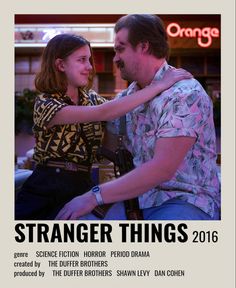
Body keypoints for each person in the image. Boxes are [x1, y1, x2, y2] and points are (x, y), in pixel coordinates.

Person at [56, 15, 220, 221]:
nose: (115, 58)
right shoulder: (128, 98)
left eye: (120, 49)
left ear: (143, 47)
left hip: (186, 200)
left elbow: (162, 169)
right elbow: (99, 126)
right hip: (138, 200)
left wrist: (93, 196)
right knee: (77, 226)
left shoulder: (184, 94)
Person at [15, 33, 191, 220]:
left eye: (89, 60)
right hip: (47, 185)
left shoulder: (91, 98)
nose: (89, 67)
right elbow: (105, 112)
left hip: (82, 185)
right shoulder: (45, 103)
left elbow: (121, 112)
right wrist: (159, 85)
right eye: (82, 60)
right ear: (60, 65)